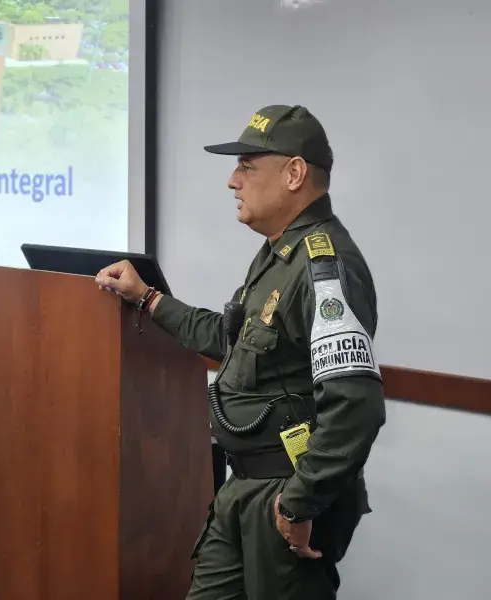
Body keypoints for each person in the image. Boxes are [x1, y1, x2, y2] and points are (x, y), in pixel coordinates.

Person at [95, 104, 386, 600]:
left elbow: (356, 406)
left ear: (294, 173)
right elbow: (235, 344)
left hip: (284, 494)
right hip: (242, 486)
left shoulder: (324, 265)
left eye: (247, 167)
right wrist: (148, 298)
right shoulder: (278, 254)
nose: (233, 181)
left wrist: (299, 503)